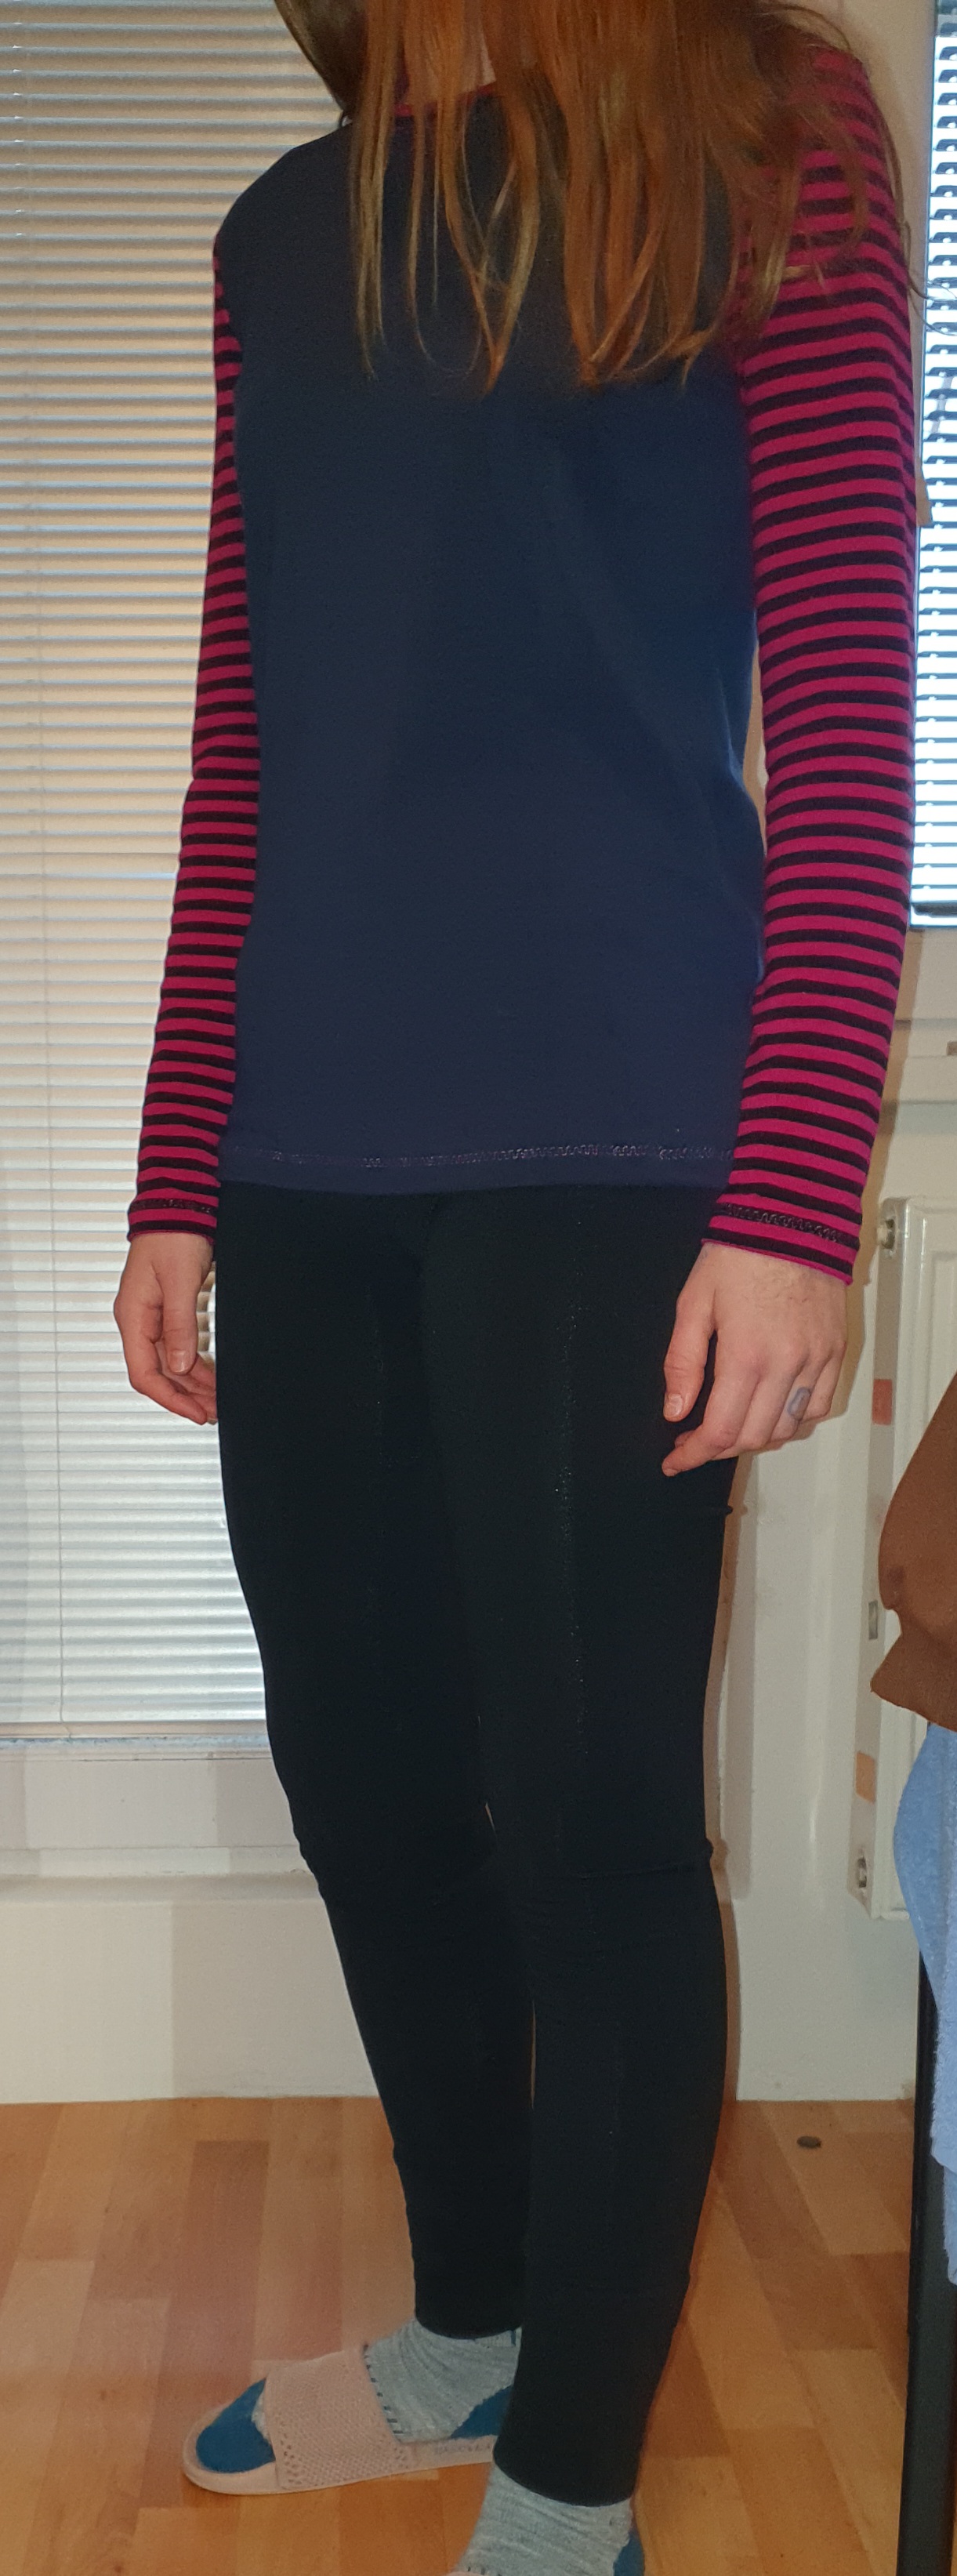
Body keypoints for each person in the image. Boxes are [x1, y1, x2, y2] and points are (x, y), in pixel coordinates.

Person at [113, 3, 917, 2568]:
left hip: (621, 1137)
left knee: (590, 1822)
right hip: (307, 1145)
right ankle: (476, 2318)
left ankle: (574, 2482)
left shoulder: (761, 119)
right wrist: (174, 1166)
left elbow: (849, 682)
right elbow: (250, 729)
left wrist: (793, 1192)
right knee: (365, 1786)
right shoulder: (279, 235)